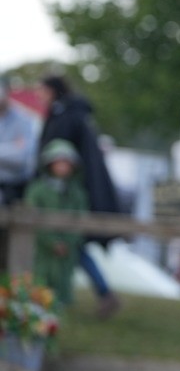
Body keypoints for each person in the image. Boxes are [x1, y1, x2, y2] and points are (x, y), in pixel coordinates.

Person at [36, 74, 122, 318]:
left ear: (52, 91)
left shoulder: (66, 117)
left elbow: (58, 155)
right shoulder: (72, 115)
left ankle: (93, 294)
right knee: (73, 249)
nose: (38, 94)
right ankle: (98, 293)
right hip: (71, 193)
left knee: (72, 247)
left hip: (68, 198)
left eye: (42, 89)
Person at [25, 140, 89, 306]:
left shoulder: (76, 193)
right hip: (42, 250)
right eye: (58, 162)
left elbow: (81, 220)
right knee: (39, 284)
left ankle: (59, 310)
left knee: (62, 283)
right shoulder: (37, 189)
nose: (62, 166)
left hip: (66, 251)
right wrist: (51, 242)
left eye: (66, 162)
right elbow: (31, 217)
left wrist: (67, 242)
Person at [0, 76, 39, 206]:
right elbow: (17, 153)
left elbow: (24, 156)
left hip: (15, 188)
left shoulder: (24, 119)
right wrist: (12, 148)